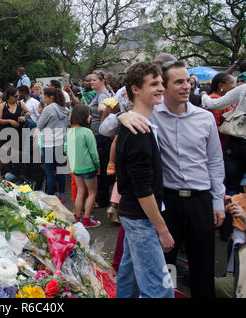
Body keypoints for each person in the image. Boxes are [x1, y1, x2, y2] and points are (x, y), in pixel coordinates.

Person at [100, 60, 226, 298]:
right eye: (178, 82)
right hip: (163, 201)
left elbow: (215, 163)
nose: (186, 86)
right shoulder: (147, 118)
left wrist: (217, 201)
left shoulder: (205, 118)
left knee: (203, 265)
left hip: (199, 200)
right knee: (162, 270)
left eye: (188, 80)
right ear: (165, 88)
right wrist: (122, 117)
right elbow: (106, 129)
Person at [115, 62, 174, 298]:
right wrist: (162, 229)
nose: (161, 88)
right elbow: (142, 190)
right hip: (141, 218)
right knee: (159, 290)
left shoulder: (141, 123)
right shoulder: (139, 131)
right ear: (136, 89)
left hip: (134, 215)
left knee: (129, 281)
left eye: (161, 83)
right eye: (154, 84)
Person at [201, 83, 246, 196]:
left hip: (238, 144)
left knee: (231, 189)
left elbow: (214, 104)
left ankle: (230, 211)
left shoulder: (243, 89)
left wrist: (204, 95)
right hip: (238, 146)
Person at [65, 104, 101, 228]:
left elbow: (65, 149)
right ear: (84, 116)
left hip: (76, 167)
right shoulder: (87, 132)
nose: (91, 117)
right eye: (89, 114)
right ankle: (87, 220)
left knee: (80, 192)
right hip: (88, 167)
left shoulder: (69, 132)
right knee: (92, 193)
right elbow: (93, 153)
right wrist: (97, 165)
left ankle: (79, 219)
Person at [36, 87, 69, 203]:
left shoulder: (48, 109)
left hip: (49, 144)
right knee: (60, 171)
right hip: (61, 142)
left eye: (45, 98)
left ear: (51, 97)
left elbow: (39, 125)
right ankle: (61, 195)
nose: (45, 101)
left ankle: (51, 195)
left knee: (49, 171)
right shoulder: (64, 108)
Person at [88, 69, 114, 208]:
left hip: (101, 136)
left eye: (94, 80)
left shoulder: (103, 94)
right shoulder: (99, 93)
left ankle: (103, 199)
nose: (91, 82)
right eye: (91, 80)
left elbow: (103, 108)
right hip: (99, 134)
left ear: (102, 81)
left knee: (101, 168)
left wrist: (103, 125)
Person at [0, 87, 31, 176]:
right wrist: (9, 121)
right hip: (6, 134)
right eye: (15, 96)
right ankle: (4, 176)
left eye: (18, 95)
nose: (17, 98)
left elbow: (28, 112)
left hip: (18, 134)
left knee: (17, 155)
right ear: (9, 96)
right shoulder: (2, 105)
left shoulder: (20, 104)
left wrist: (24, 116)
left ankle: (16, 175)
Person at [207, 73, 236, 152]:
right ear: (221, 86)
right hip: (219, 147)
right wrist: (233, 128)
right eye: (231, 83)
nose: (234, 86)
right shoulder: (215, 101)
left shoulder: (225, 99)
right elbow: (213, 128)